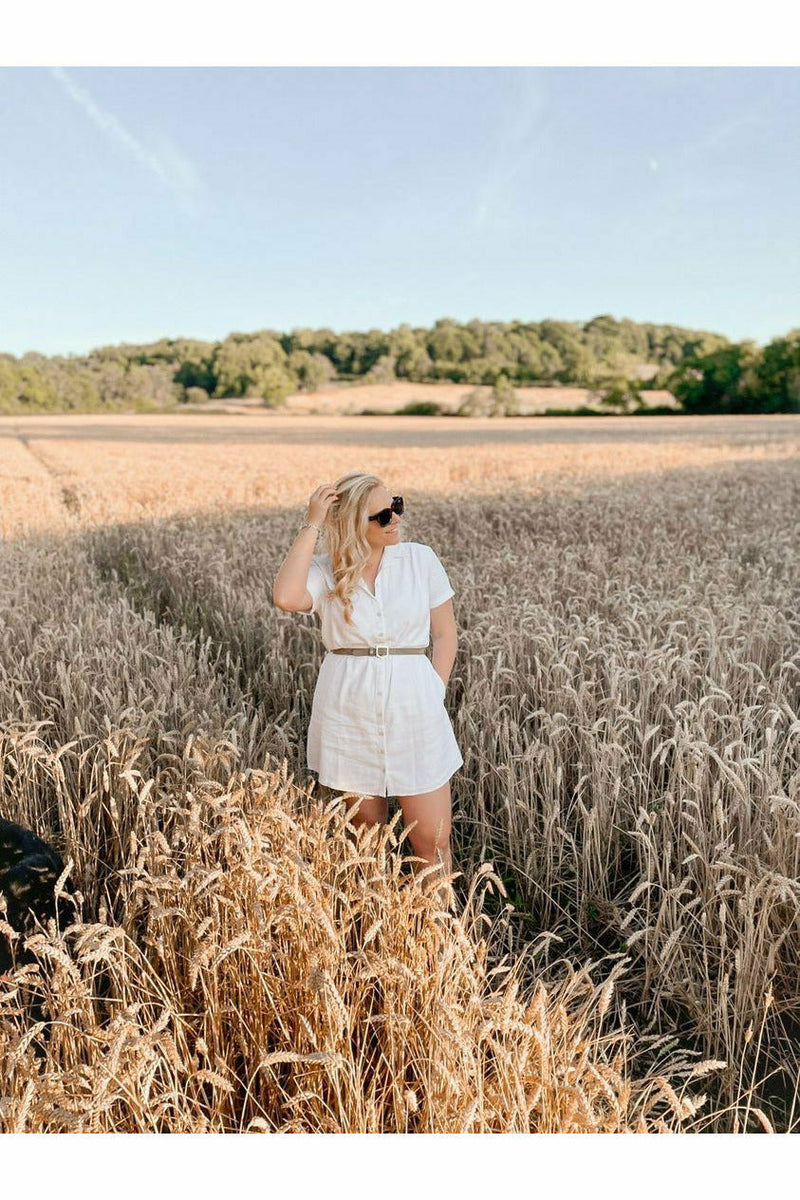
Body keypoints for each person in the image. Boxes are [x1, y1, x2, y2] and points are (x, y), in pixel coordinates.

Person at [272, 472, 463, 907]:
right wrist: (313, 523)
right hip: (348, 708)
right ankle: (378, 938)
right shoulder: (326, 569)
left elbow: (446, 635)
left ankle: (437, 942)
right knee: (366, 847)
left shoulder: (421, 559)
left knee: (433, 844)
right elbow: (285, 597)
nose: (394, 517)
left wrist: (432, 692)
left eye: (396, 504)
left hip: (416, 707)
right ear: (353, 525)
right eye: (381, 514)